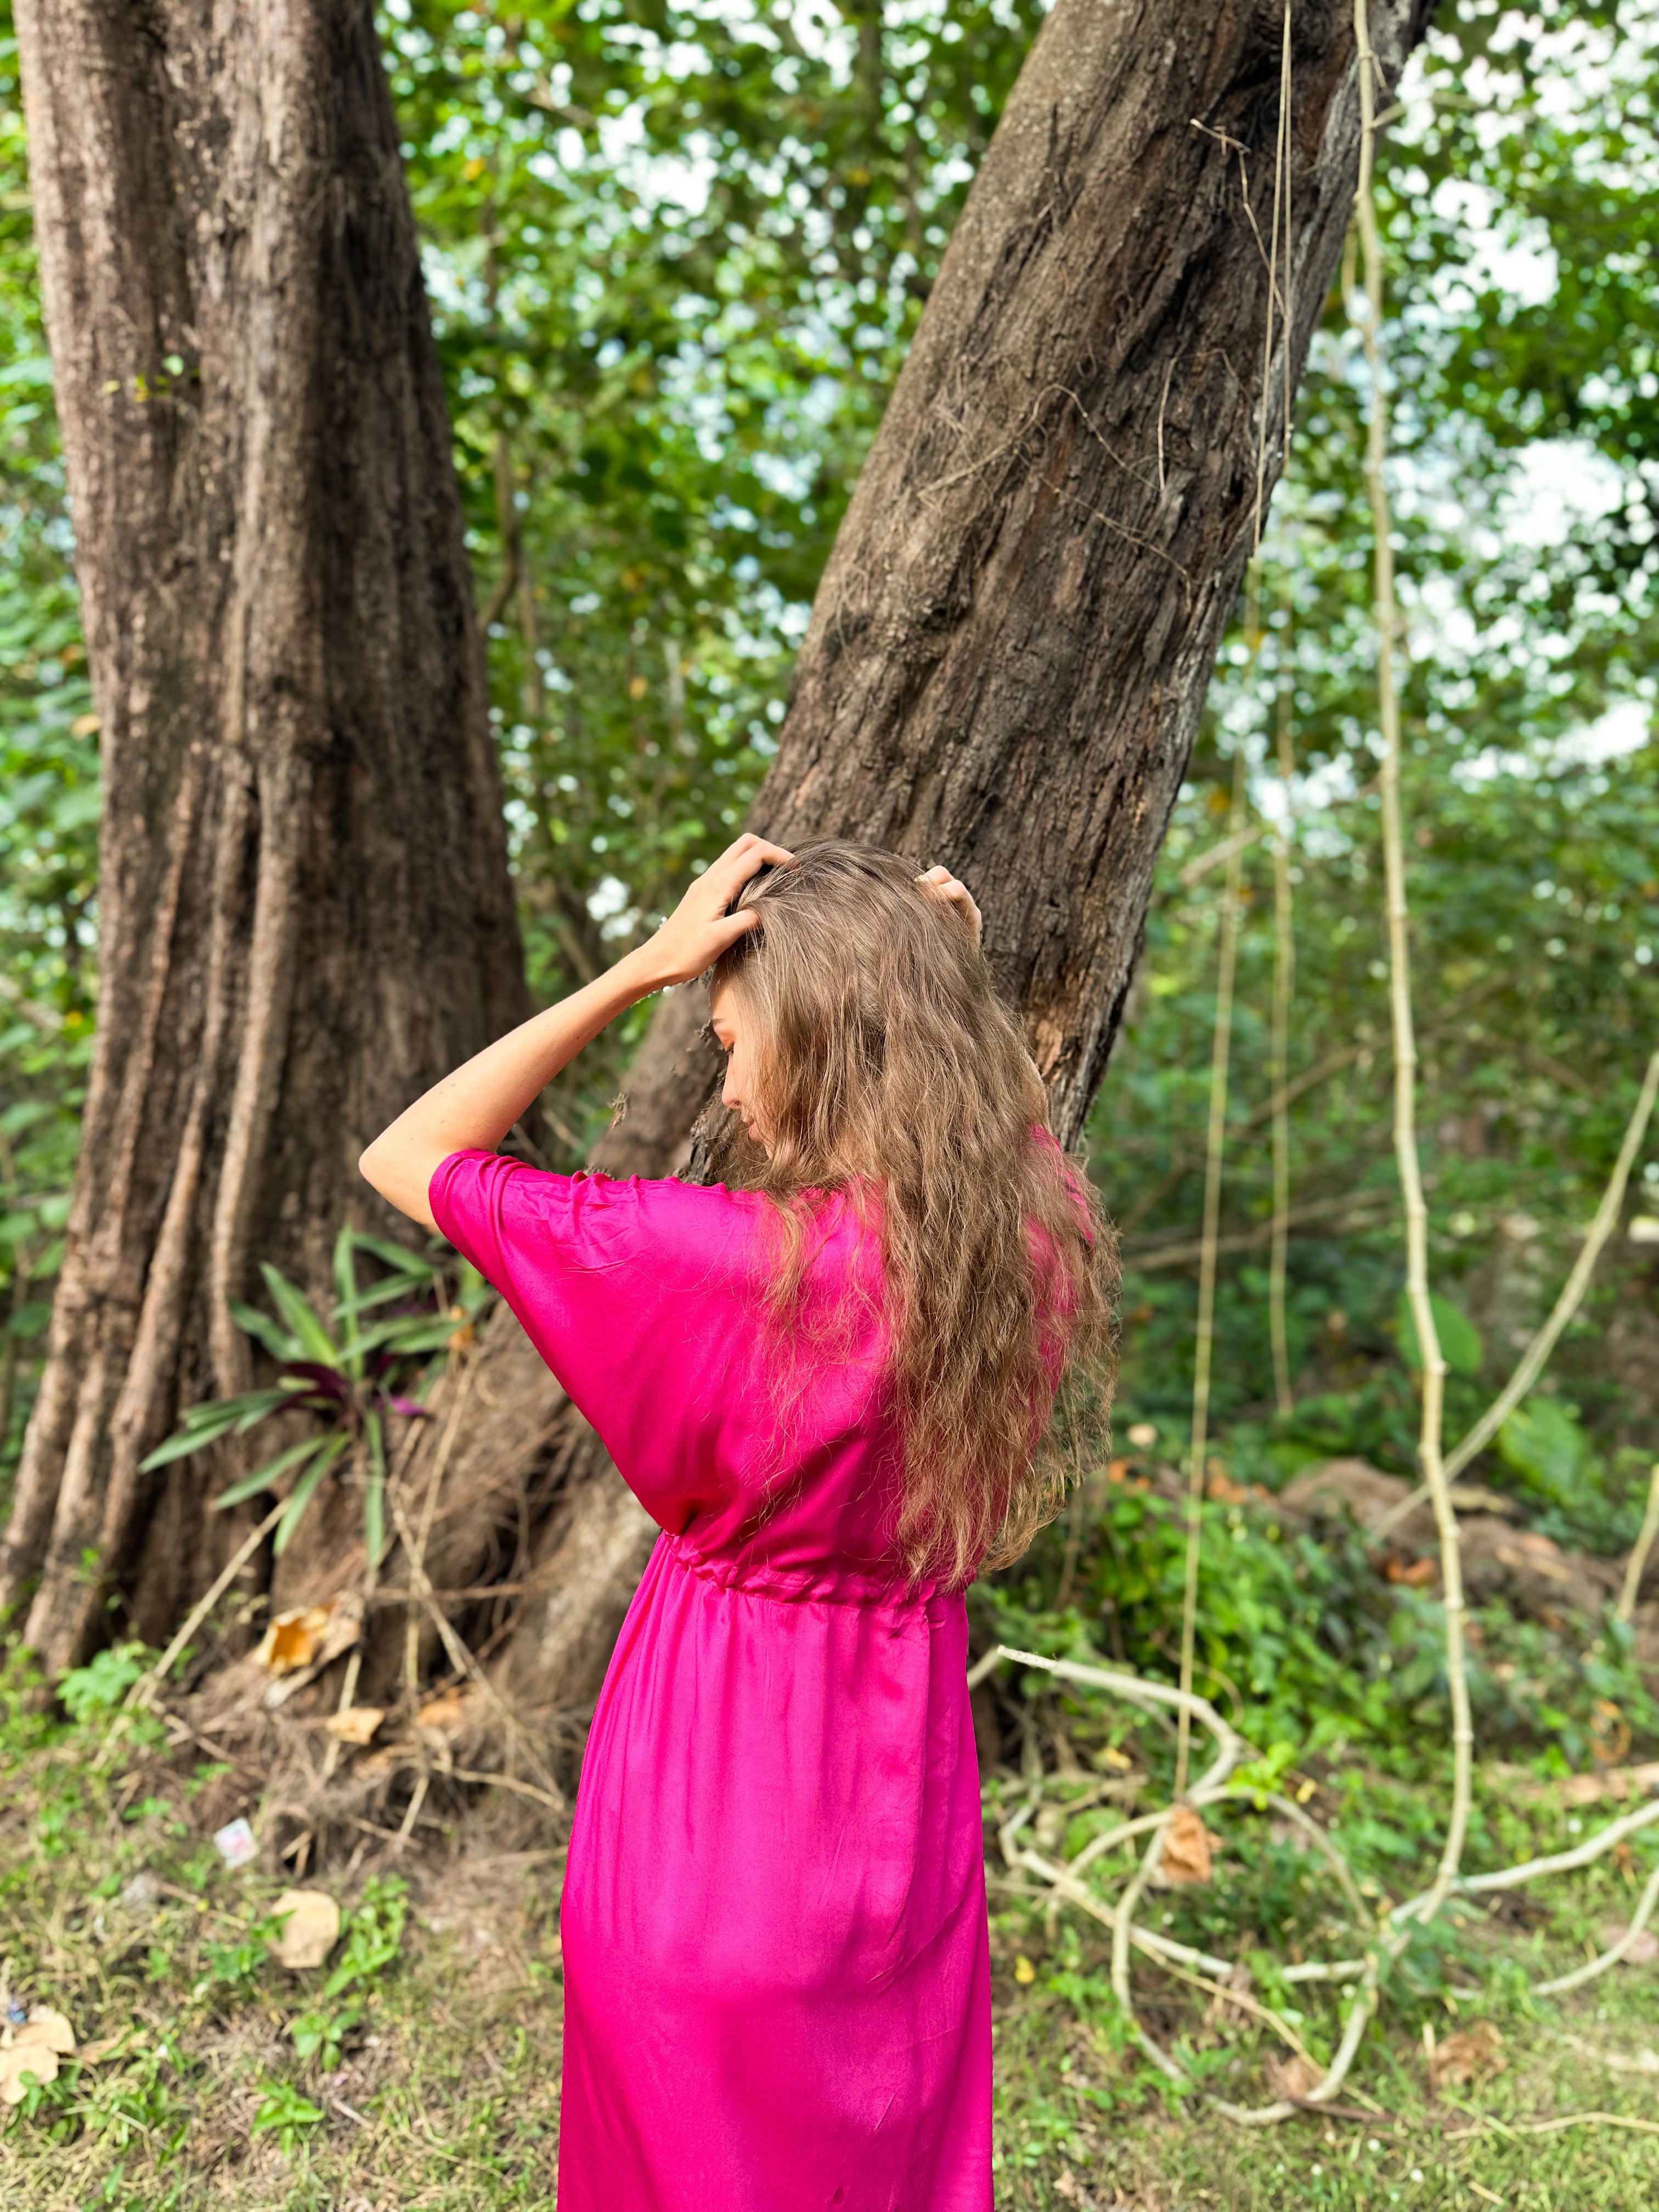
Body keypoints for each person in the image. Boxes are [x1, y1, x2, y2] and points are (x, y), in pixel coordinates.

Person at [359, 834, 1113, 2211]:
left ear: (815, 1037)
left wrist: (642, 968)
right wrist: (949, 976)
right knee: (877, 2156)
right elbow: (991, 1121)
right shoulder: (1024, 1240)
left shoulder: (709, 1258)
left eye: (727, 1040)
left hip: (714, 1799)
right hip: (902, 1824)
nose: (725, 1083)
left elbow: (409, 1151)